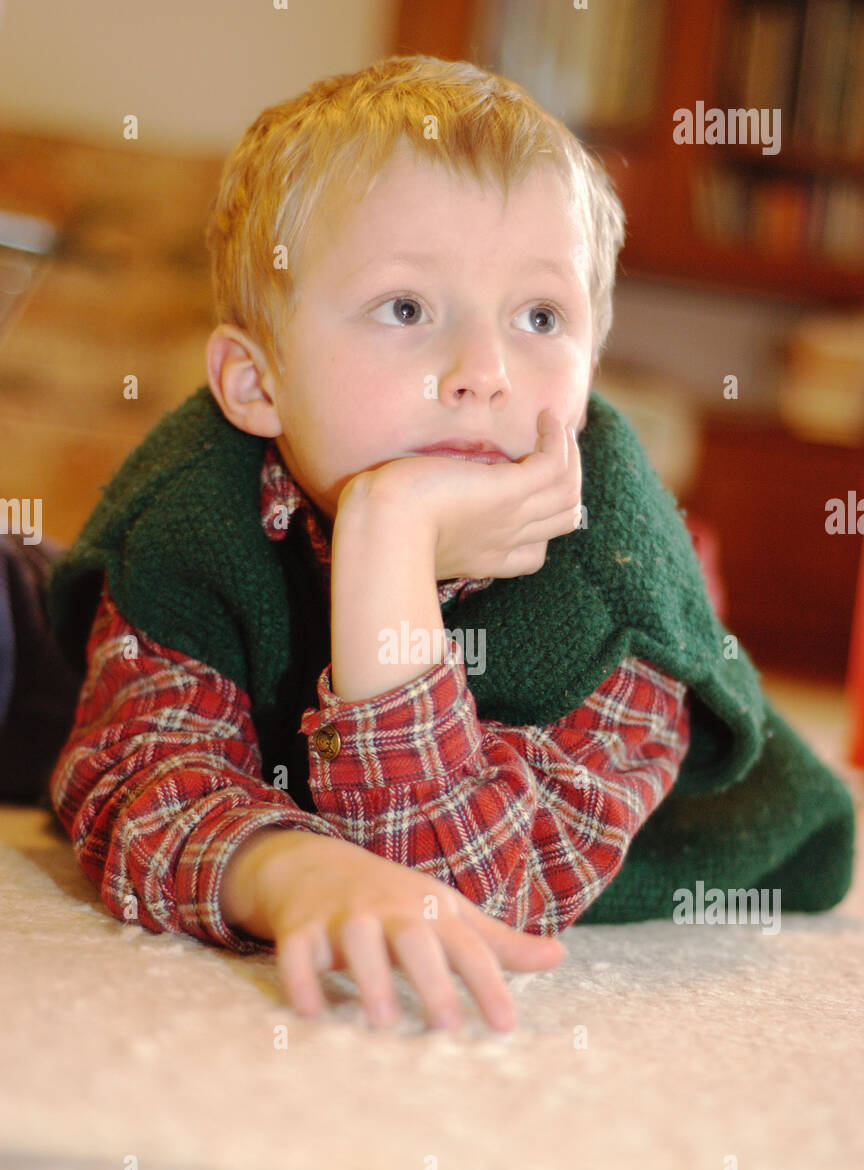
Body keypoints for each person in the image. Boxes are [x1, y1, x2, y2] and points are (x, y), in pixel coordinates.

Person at [44, 56, 852, 1034]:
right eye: (407, 308)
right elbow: (129, 772)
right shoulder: (186, 508)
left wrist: (388, 540)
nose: (484, 371)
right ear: (258, 384)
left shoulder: (618, 597)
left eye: (540, 317)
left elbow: (459, 893)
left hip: (686, 836)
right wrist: (287, 870)